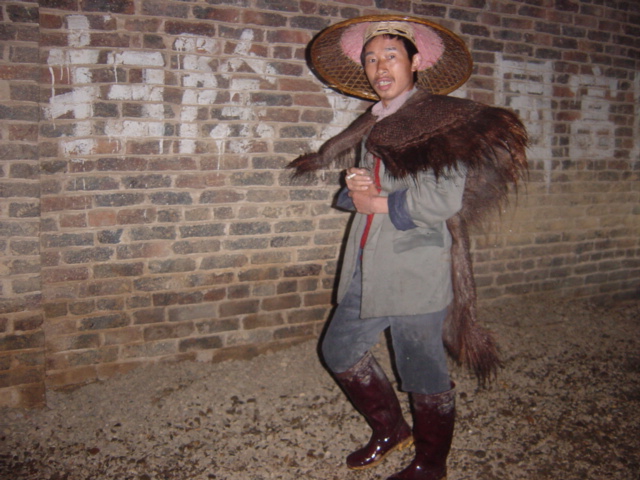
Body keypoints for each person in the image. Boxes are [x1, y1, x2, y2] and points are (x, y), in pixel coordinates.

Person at [288, 15, 528, 480]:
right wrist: (357, 184)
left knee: (422, 370)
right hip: (366, 260)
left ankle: (431, 464)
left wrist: (373, 200)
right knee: (339, 350)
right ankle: (391, 429)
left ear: (416, 62)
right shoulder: (378, 120)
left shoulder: (440, 121)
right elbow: (377, 189)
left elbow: (441, 198)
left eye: (391, 56)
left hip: (415, 265)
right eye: (371, 58)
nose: (380, 67)